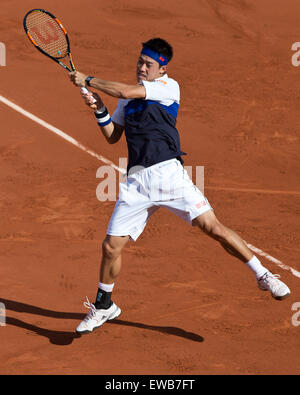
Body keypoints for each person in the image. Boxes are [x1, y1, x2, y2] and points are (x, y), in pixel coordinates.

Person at [69, 38, 290, 335]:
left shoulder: (167, 88)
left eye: (148, 64)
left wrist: (89, 79)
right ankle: (105, 304)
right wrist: (98, 108)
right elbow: (113, 135)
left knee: (213, 227)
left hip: (168, 175)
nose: (141, 68)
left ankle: (264, 275)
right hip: (137, 181)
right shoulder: (127, 100)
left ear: (162, 68)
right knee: (111, 246)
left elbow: (123, 89)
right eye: (139, 62)